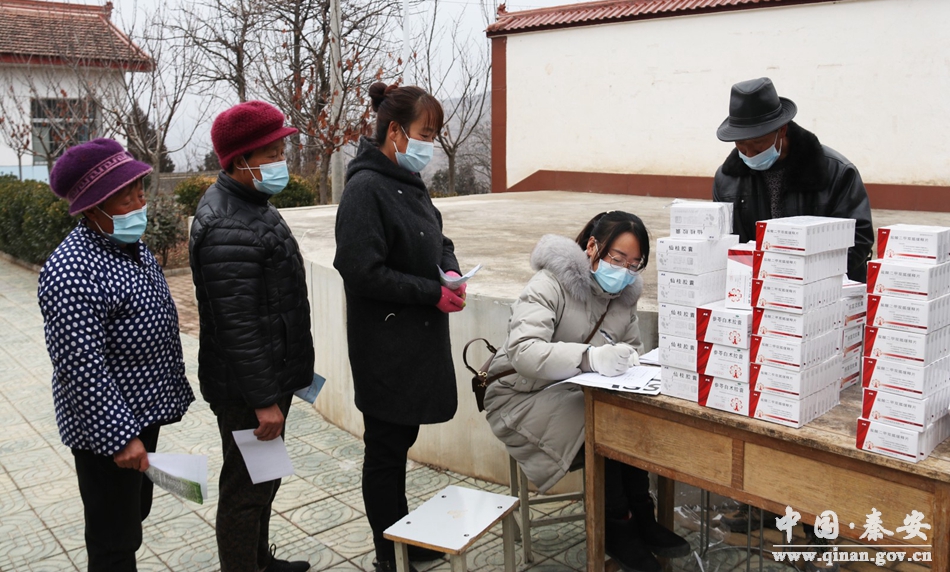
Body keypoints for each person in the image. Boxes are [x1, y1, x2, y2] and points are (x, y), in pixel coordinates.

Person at [483, 212, 691, 572]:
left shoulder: (623, 298)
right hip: (520, 394)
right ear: (593, 246)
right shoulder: (549, 283)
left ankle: (642, 516)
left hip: (575, 391)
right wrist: (590, 358)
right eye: (617, 258)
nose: (624, 271)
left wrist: (628, 360)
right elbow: (524, 352)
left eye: (634, 264)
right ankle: (618, 526)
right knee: (605, 423)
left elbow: (631, 348)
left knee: (632, 415)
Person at [38, 138, 195, 571]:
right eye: (128, 198)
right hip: (108, 431)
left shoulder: (132, 247)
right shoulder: (72, 270)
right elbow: (80, 368)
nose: (141, 203)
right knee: (113, 541)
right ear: (93, 207)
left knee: (132, 518)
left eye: (141, 191)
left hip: (142, 415)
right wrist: (120, 437)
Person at [333, 82, 466, 572]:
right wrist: (430, 292)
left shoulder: (408, 182)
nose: (431, 144)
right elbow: (360, 271)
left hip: (414, 343)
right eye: (425, 134)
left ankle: (403, 537)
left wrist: (449, 270)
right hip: (385, 349)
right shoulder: (365, 189)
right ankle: (389, 555)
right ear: (395, 132)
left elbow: (439, 237)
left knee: (399, 445)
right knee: (385, 454)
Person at [190, 101, 315, 572]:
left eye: (280, 149)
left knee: (264, 478)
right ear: (240, 160)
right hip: (247, 390)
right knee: (245, 490)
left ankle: (260, 560)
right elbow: (238, 326)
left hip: (266, 376)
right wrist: (263, 400)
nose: (281, 160)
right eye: (271, 153)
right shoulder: (227, 224)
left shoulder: (250, 204)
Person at [712, 77, 873, 282]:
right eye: (741, 145)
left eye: (758, 144)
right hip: (754, 287)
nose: (749, 153)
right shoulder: (727, 180)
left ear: (782, 130)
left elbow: (858, 238)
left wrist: (802, 280)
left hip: (824, 287)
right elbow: (724, 242)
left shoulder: (836, 172)